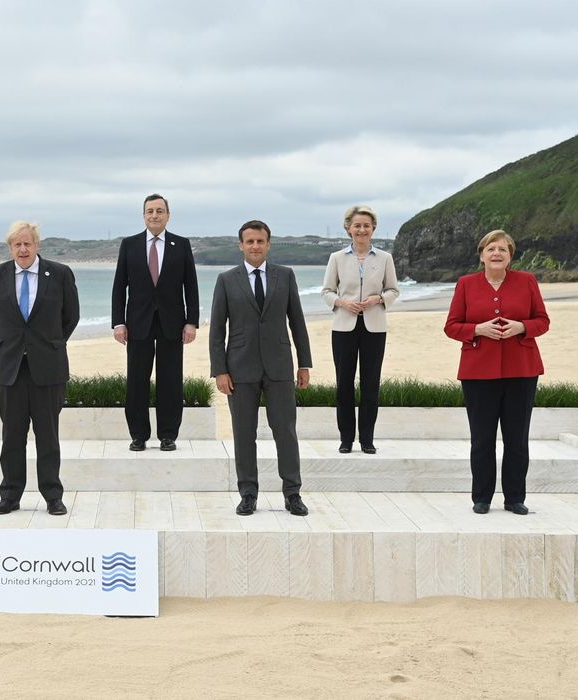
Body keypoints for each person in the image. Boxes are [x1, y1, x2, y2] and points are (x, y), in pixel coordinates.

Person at [208, 220, 312, 517]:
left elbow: (297, 322)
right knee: (243, 433)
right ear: (241, 245)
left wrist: (304, 363)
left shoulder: (285, 276)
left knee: (286, 432)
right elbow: (217, 330)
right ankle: (248, 494)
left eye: (260, 241)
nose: (255, 246)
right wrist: (220, 370)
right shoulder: (227, 280)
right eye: (250, 241)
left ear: (269, 244)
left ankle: (292, 493)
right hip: (239, 369)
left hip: (279, 366)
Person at [0, 221, 80, 516]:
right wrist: (5, 345)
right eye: (16, 244)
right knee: (12, 437)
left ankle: (52, 496)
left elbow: (70, 317)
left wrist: (49, 344)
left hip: (48, 368)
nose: (22, 249)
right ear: (10, 247)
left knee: (48, 436)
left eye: (27, 244)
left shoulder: (59, 274)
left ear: (37, 245)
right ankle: (10, 495)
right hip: (10, 369)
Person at [444, 230, 549, 515]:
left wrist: (522, 327)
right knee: (481, 439)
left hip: (522, 370)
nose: (497, 253)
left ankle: (515, 498)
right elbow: (451, 326)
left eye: (503, 249)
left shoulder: (527, 281)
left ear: (510, 255)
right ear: (482, 255)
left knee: (517, 438)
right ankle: (482, 498)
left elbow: (543, 320)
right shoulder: (466, 284)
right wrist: (477, 329)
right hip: (477, 372)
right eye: (491, 249)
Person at [111, 193, 200, 451]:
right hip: (137, 323)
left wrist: (191, 321)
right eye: (150, 211)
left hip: (172, 323)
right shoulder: (129, 244)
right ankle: (139, 435)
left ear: (168, 215)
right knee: (137, 381)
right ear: (143, 215)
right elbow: (120, 286)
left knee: (170, 380)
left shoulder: (181, 245)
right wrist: (118, 322)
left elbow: (190, 286)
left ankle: (168, 435)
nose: (155, 215)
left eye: (160, 211)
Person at [319, 205, 400, 454]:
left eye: (366, 225)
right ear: (349, 228)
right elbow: (326, 292)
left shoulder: (385, 258)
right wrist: (343, 303)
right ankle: (346, 439)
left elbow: (393, 290)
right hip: (344, 327)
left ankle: (367, 439)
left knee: (370, 384)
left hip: (374, 328)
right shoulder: (337, 258)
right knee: (343, 384)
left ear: (373, 228)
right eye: (357, 225)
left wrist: (378, 299)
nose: (362, 230)